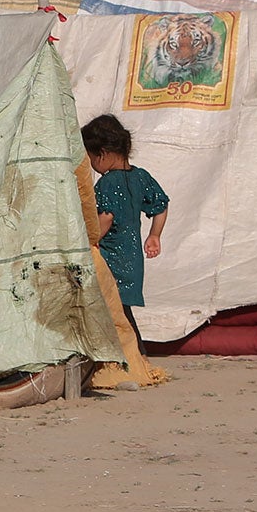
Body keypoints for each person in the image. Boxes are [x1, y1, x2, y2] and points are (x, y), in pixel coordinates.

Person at [82, 114, 169, 341]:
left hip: (113, 257)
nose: (92, 165)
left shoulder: (108, 182)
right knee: (122, 311)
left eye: (91, 158)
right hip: (133, 258)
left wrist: (90, 239)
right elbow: (161, 205)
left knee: (114, 311)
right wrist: (154, 235)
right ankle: (136, 355)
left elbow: (107, 216)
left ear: (102, 154)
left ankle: (134, 356)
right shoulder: (141, 176)